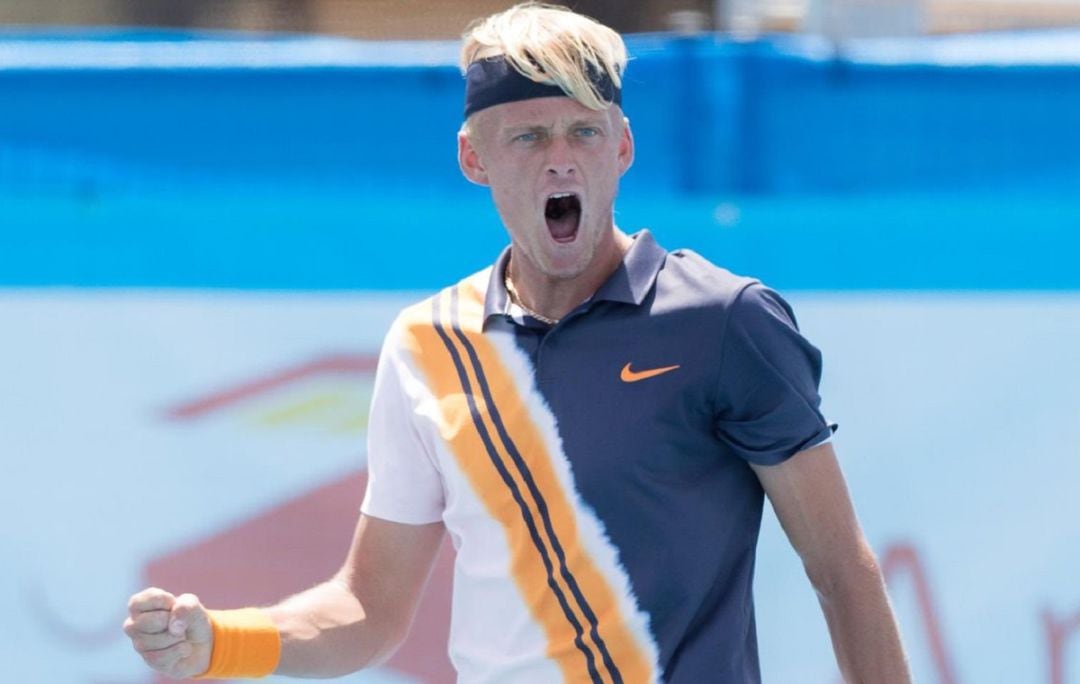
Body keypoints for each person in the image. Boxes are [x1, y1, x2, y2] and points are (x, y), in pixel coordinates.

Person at [123, 3, 911, 682]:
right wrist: (223, 642)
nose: (561, 156)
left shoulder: (727, 321)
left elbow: (842, 570)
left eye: (582, 131)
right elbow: (369, 608)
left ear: (622, 147)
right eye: (529, 136)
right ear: (476, 158)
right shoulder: (425, 344)